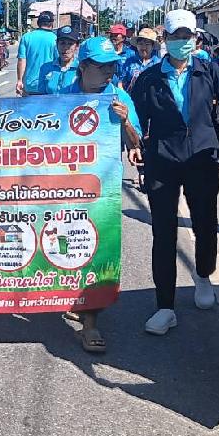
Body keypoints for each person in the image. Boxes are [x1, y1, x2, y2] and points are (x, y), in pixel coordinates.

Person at [129, 9, 219, 334]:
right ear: (165, 39)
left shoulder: (208, 71)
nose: (182, 41)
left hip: (202, 157)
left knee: (205, 222)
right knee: (163, 231)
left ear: (195, 38)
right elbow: (136, 119)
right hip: (162, 160)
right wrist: (135, 148)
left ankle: (203, 275)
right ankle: (165, 306)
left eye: (187, 36)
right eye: (176, 36)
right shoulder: (150, 78)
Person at [55, 36, 143, 353]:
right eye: (102, 66)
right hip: (64, 187)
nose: (108, 72)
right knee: (63, 245)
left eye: (112, 67)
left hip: (102, 189)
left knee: (94, 249)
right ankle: (70, 298)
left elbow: (135, 141)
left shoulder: (118, 96)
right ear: (83, 67)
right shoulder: (62, 96)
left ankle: (90, 322)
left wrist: (126, 122)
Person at [16, 10, 58, 96]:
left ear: (38, 23)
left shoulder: (26, 37)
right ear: (51, 23)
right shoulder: (56, 39)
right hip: (49, 85)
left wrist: (19, 80)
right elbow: (59, 63)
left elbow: (21, 61)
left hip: (30, 86)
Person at [33, 25, 80, 94]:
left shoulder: (81, 69)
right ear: (57, 45)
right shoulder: (45, 68)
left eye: (70, 44)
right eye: (62, 43)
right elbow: (42, 95)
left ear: (77, 46)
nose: (65, 48)